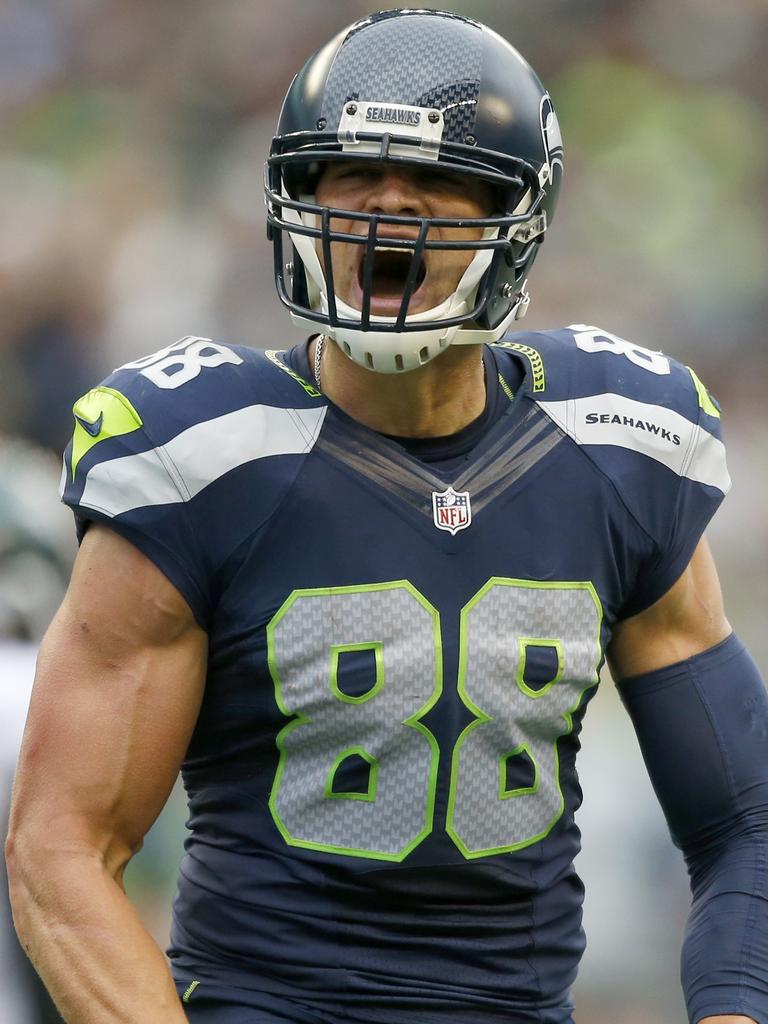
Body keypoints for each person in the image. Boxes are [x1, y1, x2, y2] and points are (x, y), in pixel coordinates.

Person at [6, 9, 768, 1024]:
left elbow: (742, 816)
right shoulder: (198, 455)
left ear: (516, 214)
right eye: (351, 171)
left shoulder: (617, 446)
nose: (386, 209)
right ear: (295, 195)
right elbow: (62, 848)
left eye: (438, 179)